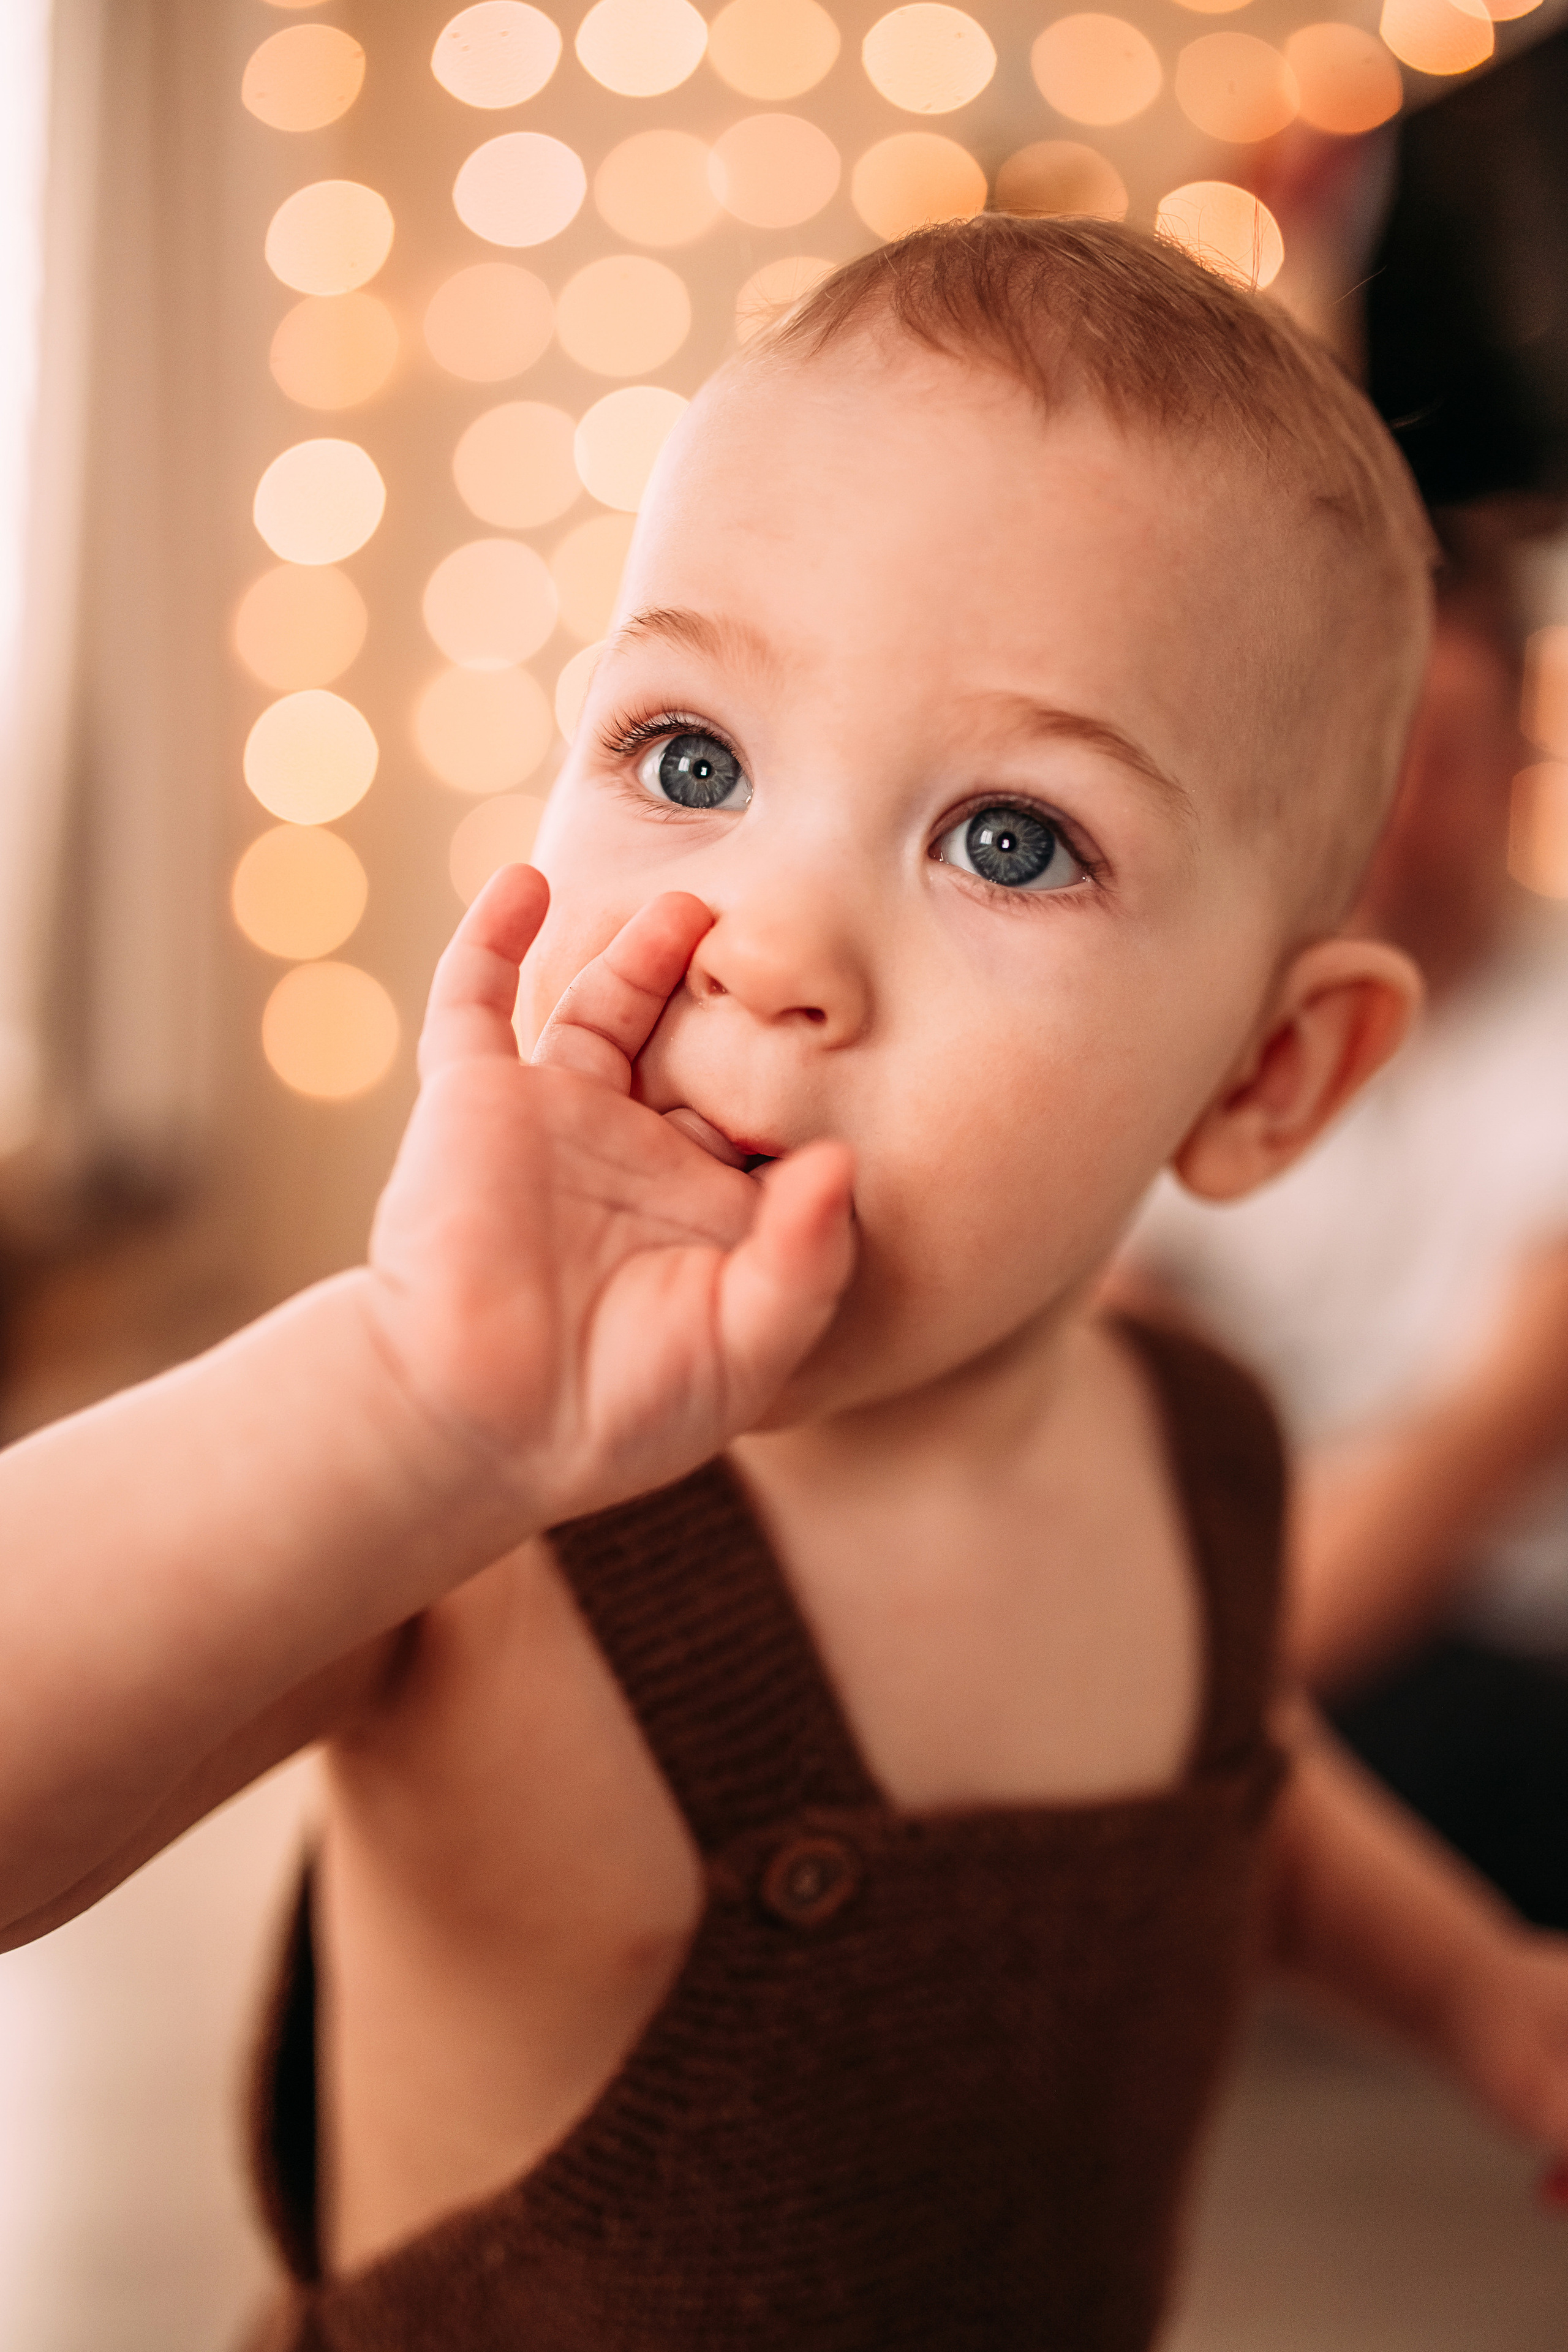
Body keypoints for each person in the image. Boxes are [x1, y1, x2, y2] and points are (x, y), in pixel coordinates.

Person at [6, 219, 1568, 2350]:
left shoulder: (1197, 1461)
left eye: (1012, 839)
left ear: (1268, 1074)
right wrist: (404, 1404)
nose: (767, 936)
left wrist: (1477, 1988)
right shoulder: (473, 1523)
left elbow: (1238, 1798)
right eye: (690, 758)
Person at [1124, 537, 1568, 1929]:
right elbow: (1100, 1353)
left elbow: (1476, 1451)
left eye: (1439, 743)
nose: (1397, 798)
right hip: (1224, 1600)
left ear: (1520, 754)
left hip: (1485, 1648)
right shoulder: (1189, 1006)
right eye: (1367, 740)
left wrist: (1118, 1689)